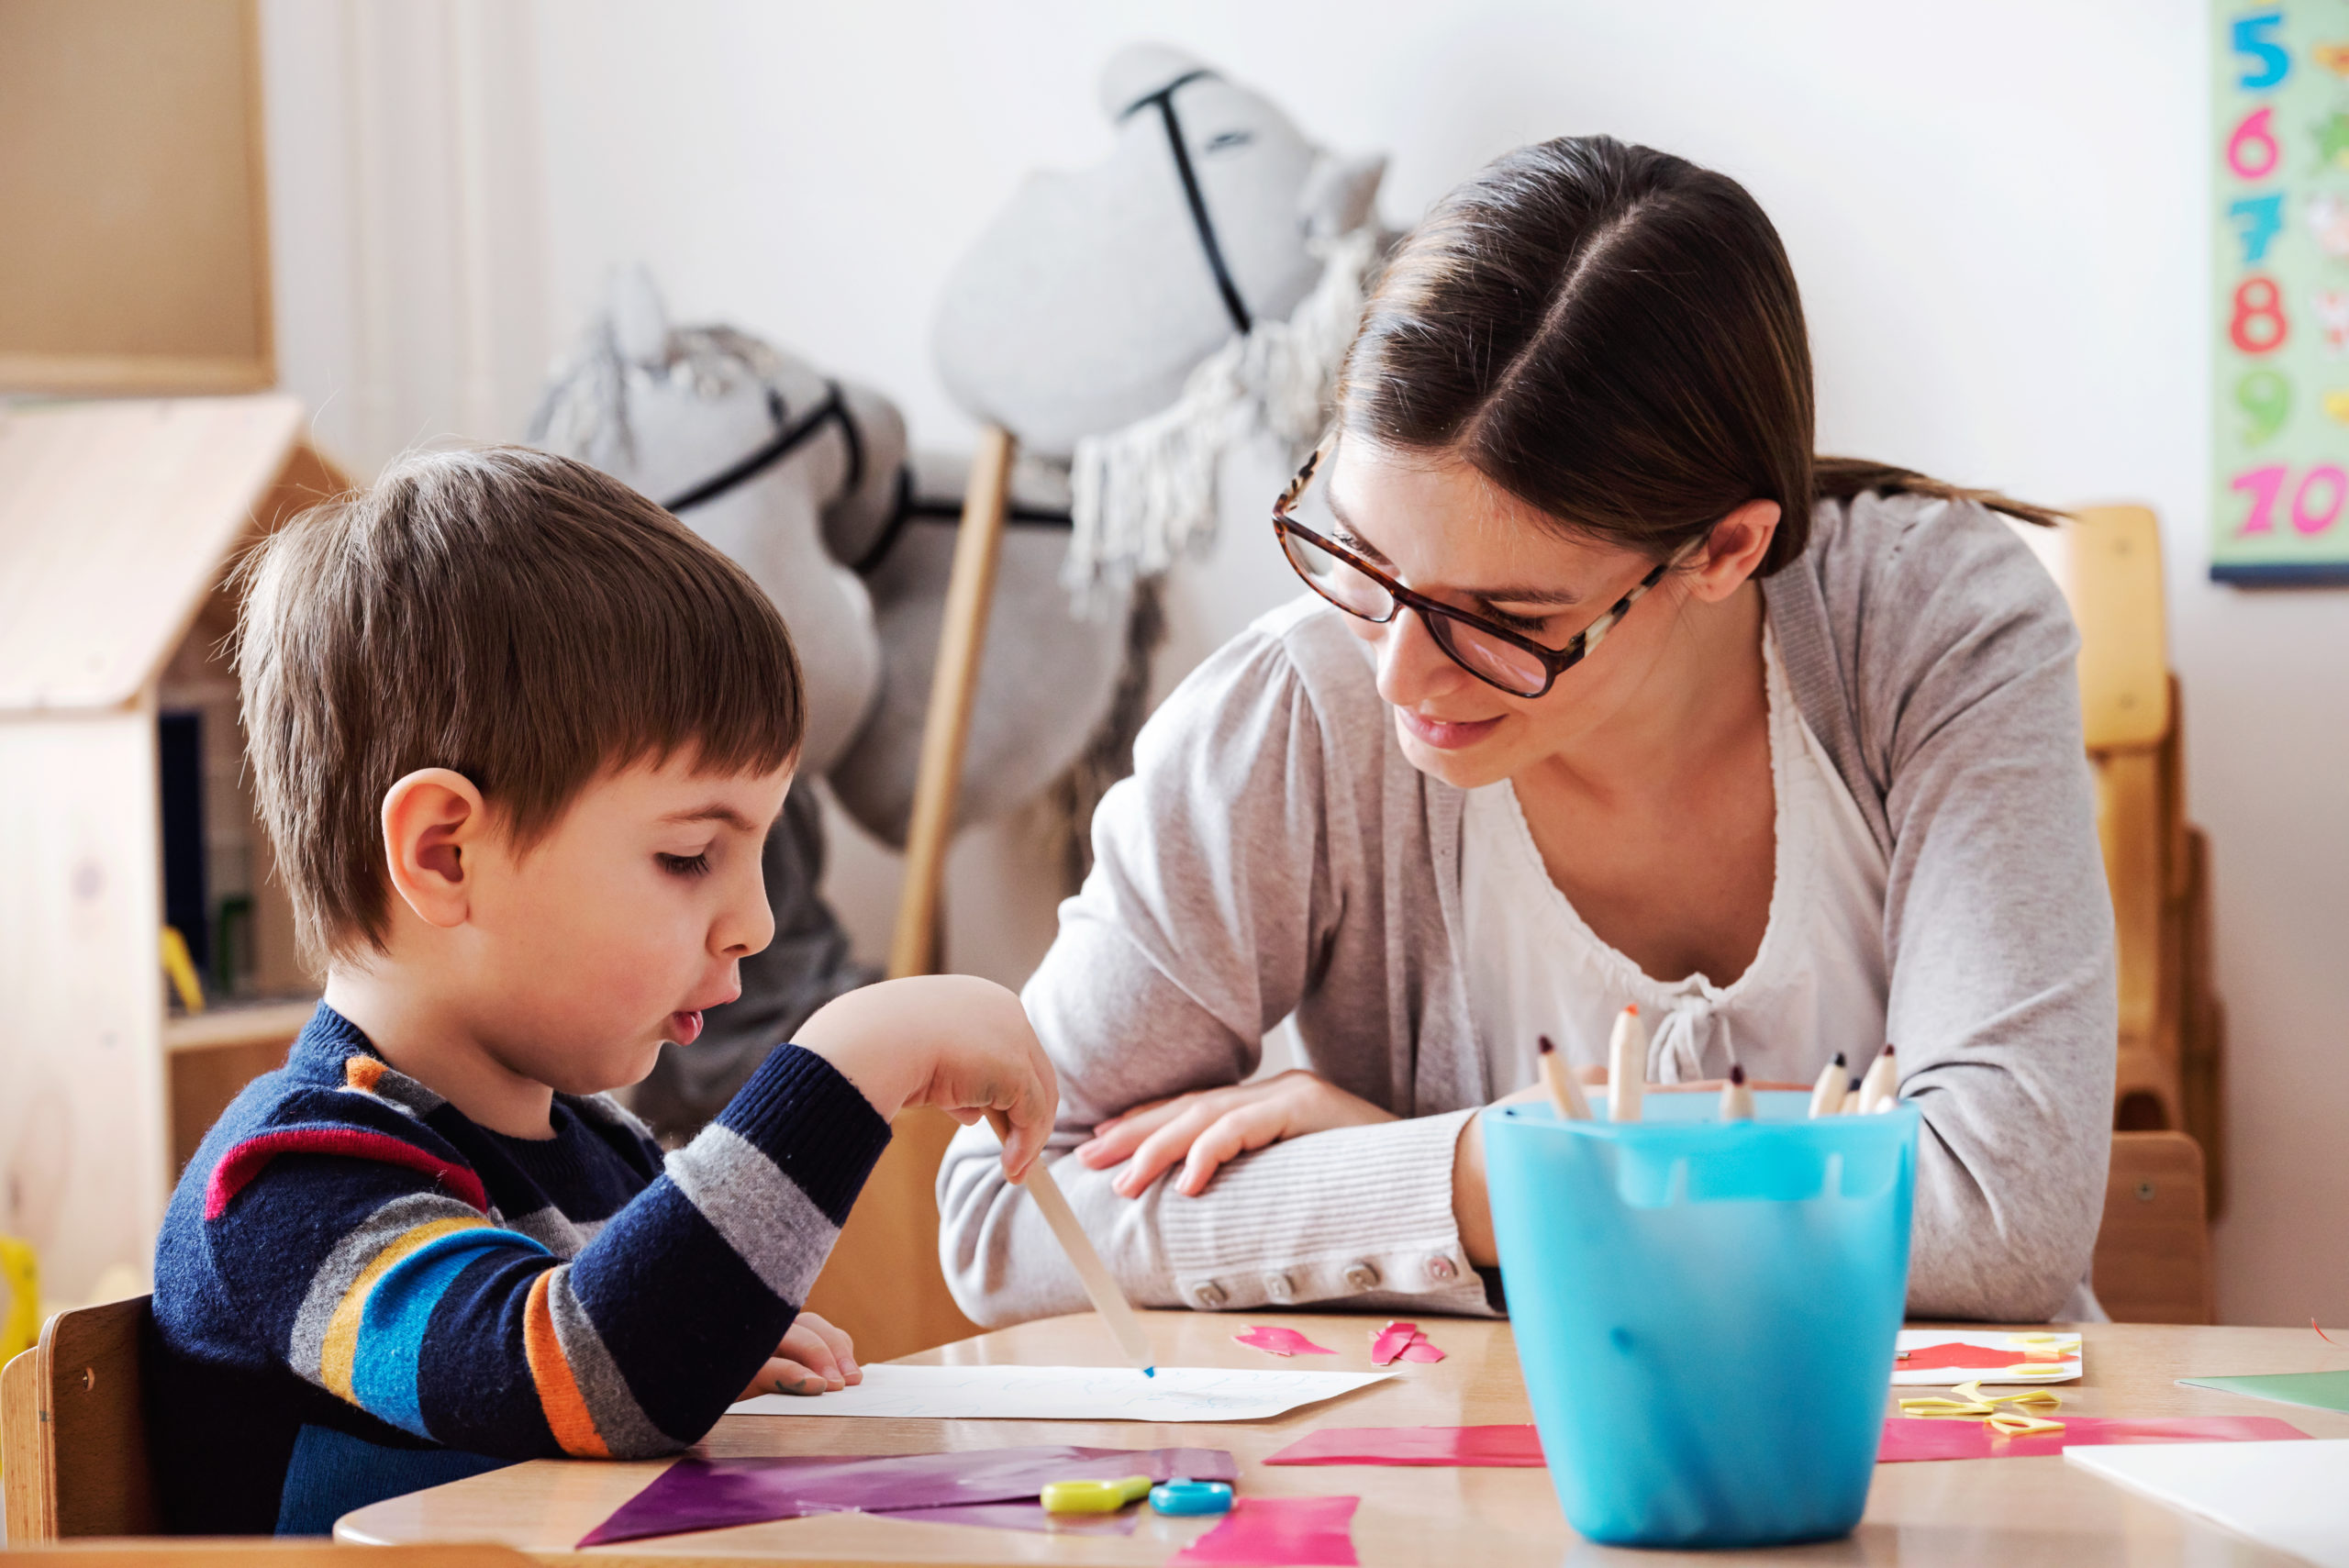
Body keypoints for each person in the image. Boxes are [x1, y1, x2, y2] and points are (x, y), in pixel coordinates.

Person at [940, 135, 2115, 1328]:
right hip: (1478, 1489)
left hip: (1943, 1480)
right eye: (1360, 552)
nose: (1401, 672)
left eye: (1504, 616)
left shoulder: (1926, 625)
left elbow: (2001, 1213)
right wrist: (1461, 1178)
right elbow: (1003, 1209)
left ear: (1723, 552)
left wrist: (1491, 1173)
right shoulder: (1299, 707)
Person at [150, 448, 1057, 1534]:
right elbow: (581, 1370)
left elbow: (619, 1382)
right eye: (688, 856)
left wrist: (701, 1334)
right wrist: (855, 1055)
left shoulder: (600, 1148)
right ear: (445, 853)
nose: (757, 923)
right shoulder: (290, 1178)